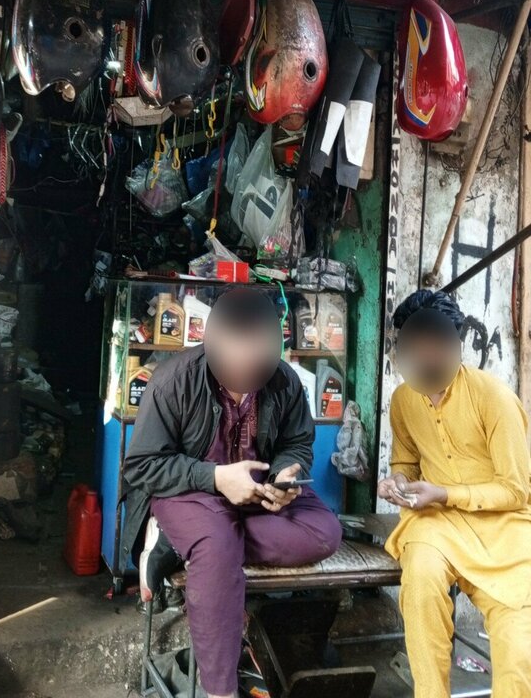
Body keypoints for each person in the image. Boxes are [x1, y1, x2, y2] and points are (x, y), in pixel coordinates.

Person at [122, 287, 342, 698]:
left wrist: (285, 475)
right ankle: (220, 691)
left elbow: (297, 443)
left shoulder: (284, 381)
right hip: (189, 490)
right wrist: (217, 479)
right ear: (214, 340)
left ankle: (193, 544)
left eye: (256, 349)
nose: (246, 361)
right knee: (218, 546)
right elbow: (142, 465)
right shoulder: (172, 381)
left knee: (324, 533)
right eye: (237, 349)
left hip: (254, 498)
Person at [378, 289, 531, 698]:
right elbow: (406, 464)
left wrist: (446, 492)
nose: (427, 358)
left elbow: (516, 490)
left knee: (519, 650)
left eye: (436, 346)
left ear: (455, 345)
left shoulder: (494, 398)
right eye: (417, 347)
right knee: (421, 578)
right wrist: (396, 483)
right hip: (438, 526)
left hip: (505, 532)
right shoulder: (402, 400)